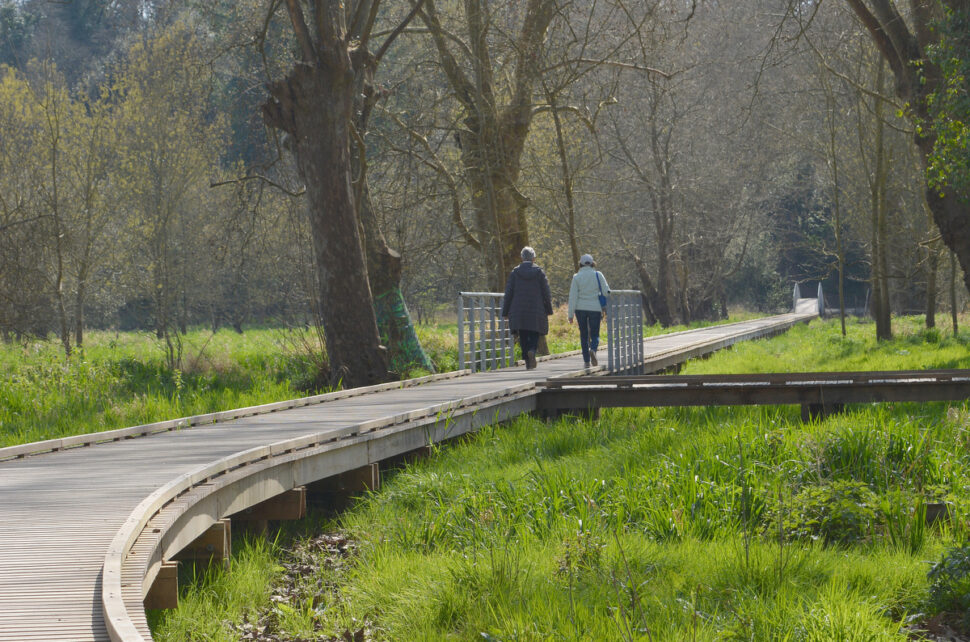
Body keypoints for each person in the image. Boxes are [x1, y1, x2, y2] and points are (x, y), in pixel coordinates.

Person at [502, 246, 553, 369]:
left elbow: (508, 293)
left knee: (523, 334)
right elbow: (546, 292)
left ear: (522, 258)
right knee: (534, 333)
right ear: (534, 258)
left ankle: (527, 361)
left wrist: (505, 311)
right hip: (536, 309)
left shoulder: (515, 273)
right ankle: (532, 351)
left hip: (518, 310)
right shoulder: (539, 272)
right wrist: (549, 309)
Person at [568, 253, 610, 367]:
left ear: (580, 264)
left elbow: (573, 296)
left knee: (584, 334)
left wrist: (570, 314)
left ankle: (586, 361)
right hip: (595, 308)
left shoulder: (576, 277)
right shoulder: (598, 274)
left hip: (580, 309)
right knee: (595, 333)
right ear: (592, 263)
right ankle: (593, 349)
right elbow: (606, 292)